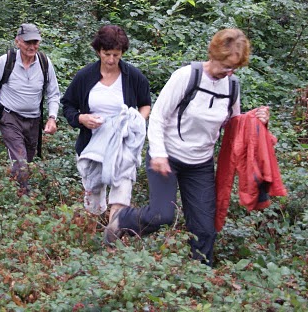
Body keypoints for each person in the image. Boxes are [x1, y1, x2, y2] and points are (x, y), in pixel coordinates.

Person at [105, 28, 270, 265]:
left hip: (200, 163)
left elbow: (233, 124)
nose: (229, 72)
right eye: (226, 66)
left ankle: (201, 272)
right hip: (168, 156)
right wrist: (159, 154)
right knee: (162, 215)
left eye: (234, 68)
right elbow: (159, 116)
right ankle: (123, 218)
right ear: (214, 54)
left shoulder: (231, 86)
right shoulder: (186, 77)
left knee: (205, 226)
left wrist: (257, 119)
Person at [60, 25, 152, 226]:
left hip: (122, 144)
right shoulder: (85, 77)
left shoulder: (133, 76)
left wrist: (136, 122)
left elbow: (145, 104)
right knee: (93, 193)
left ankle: (113, 234)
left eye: (116, 55)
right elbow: (68, 105)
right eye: (106, 54)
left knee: (122, 187)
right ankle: (93, 229)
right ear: (98, 51)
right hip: (91, 144)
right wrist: (82, 118)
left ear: (122, 53)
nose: (111, 60)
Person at [0, 23, 61, 195]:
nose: (32, 46)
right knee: (21, 161)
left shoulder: (45, 63)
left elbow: (53, 93)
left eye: (35, 42)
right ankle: (24, 201)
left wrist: (52, 117)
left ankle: (14, 190)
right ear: (18, 42)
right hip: (10, 118)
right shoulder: (6, 61)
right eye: (27, 42)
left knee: (27, 162)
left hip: (34, 120)